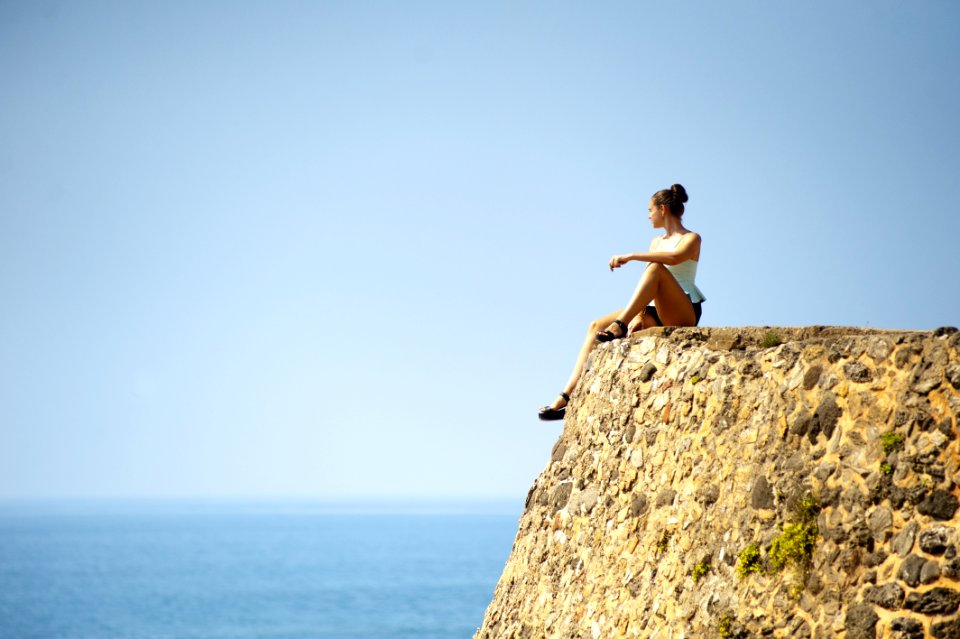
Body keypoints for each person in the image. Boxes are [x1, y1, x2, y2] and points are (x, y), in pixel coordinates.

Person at [538, 183, 705, 421]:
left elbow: (674, 258)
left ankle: (620, 324)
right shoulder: (655, 242)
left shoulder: (692, 238)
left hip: (683, 311)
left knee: (657, 268)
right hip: (655, 308)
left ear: (663, 209)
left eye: (650, 210)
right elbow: (649, 285)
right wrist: (638, 314)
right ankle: (567, 395)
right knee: (595, 326)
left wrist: (631, 256)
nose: (648, 215)